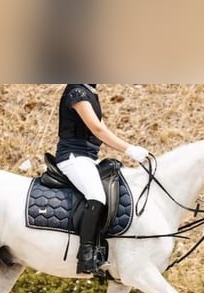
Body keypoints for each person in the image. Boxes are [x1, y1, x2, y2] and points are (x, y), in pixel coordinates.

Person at [54, 84, 149, 274]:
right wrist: (129, 149)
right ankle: (86, 255)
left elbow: (103, 129)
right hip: (73, 157)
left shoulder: (90, 92)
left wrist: (129, 147)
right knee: (96, 195)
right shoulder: (77, 92)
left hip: (89, 158)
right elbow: (97, 129)